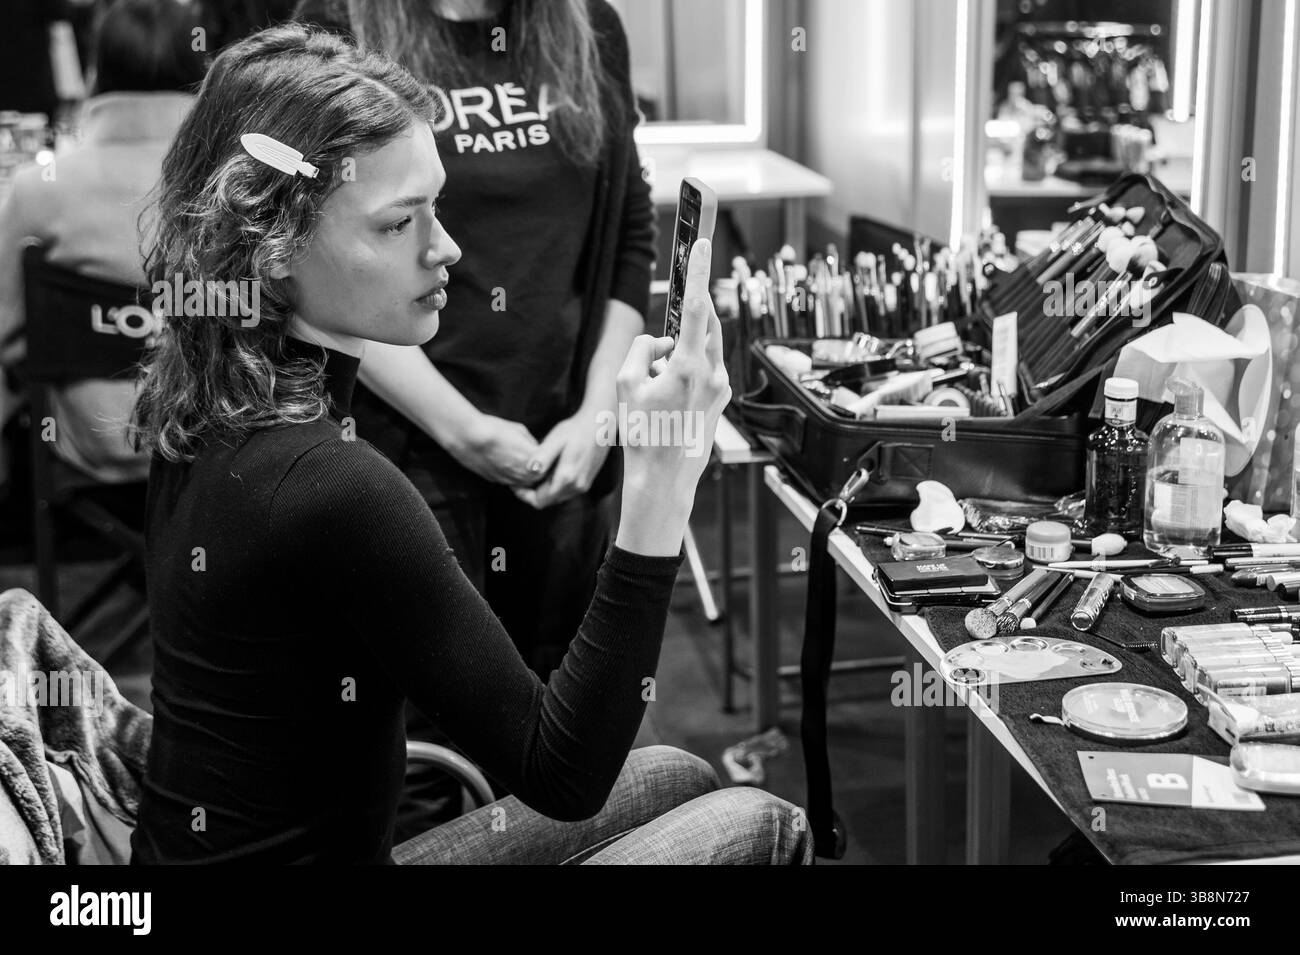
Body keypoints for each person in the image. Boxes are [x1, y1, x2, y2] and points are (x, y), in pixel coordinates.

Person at [128, 23, 812, 865]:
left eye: (437, 205)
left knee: (674, 772)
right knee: (760, 821)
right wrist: (662, 482)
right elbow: (562, 772)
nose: (444, 247)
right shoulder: (332, 485)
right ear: (272, 251)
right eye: (396, 224)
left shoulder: (205, 400)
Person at [294, 0, 657, 838]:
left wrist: (600, 409)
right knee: (416, 735)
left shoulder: (587, 26)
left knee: (556, 708)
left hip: (561, 432)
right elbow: (317, 262)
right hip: (407, 438)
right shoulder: (343, 24)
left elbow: (631, 231)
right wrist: (460, 427)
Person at [0, 0, 206, 485]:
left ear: (95, 69)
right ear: (201, 66)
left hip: (98, 441)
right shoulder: (239, 183)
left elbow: (6, 332)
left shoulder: (39, 188)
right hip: (224, 437)